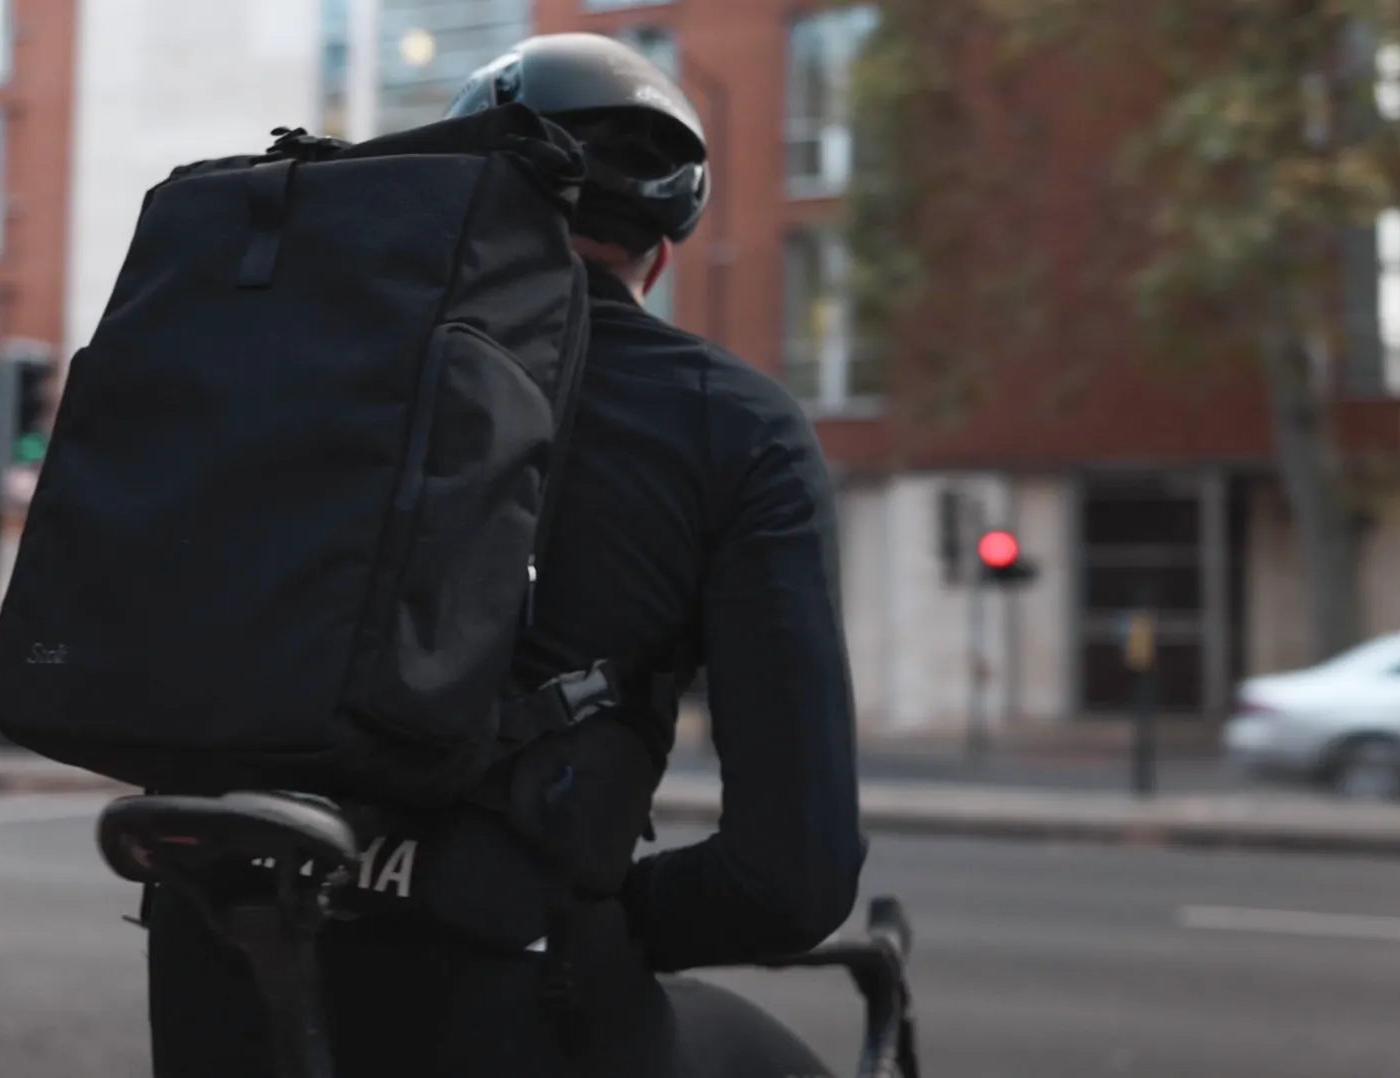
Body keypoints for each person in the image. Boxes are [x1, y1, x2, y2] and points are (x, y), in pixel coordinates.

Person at [144, 33, 867, 1078]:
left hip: (224, 965)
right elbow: (792, 878)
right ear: (660, 259)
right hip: (514, 997)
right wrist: (580, 912)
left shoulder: (297, 364)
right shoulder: (735, 426)